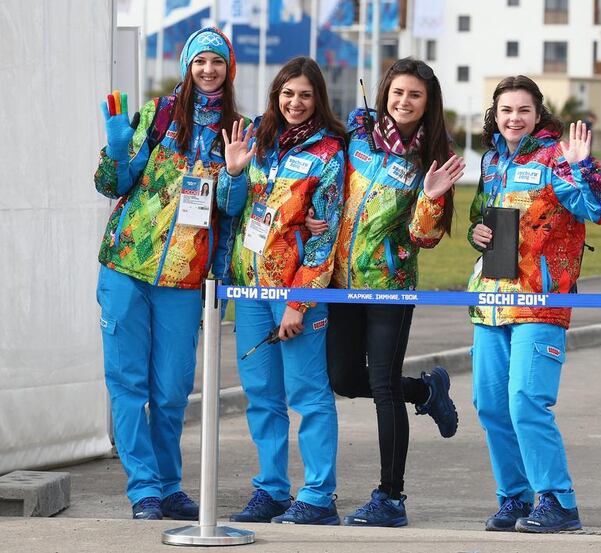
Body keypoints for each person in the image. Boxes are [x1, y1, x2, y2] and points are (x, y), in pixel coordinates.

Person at [306, 57, 465, 527]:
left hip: (388, 288)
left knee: (380, 386)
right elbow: (328, 191)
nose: (404, 101)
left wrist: (432, 197)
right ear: (384, 94)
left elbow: (424, 237)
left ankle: (390, 497)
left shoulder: (430, 159)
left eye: (414, 95)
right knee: (343, 379)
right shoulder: (357, 140)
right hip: (340, 285)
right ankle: (426, 390)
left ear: (427, 102)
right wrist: (317, 216)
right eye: (398, 92)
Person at [94, 27, 241, 521]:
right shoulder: (157, 117)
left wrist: (236, 174)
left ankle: (170, 482)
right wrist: (116, 149)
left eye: (216, 62)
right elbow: (112, 184)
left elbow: (231, 211)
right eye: (199, 61)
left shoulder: (235, 130)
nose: (207, 70)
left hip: (184, 281)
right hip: (127, 269)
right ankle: (145, 489)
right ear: (186, 66)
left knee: (173, 389)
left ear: (229, 69)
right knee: (129, 385)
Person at [468, 76, 601, 533]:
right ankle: (514, 498)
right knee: (490, 406)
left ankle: (557, 501)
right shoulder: (493, 160)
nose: (513, 118)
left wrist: (583, 165)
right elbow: (483, 215)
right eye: (505, 111)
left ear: (538, 113)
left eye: (522, 110)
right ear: (495, 116)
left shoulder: (560, 157)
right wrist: (476, 234)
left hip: (541, 301)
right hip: (490, 301)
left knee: (525, 402)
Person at [217, 56, 346, 525]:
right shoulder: (256, 140)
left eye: (305, 95)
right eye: (288, 93)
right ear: (276, 95)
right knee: (262, 396)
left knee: (308, 394)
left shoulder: (329, 153)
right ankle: (271, 490)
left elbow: (324, 236)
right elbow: (231, 210)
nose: (295, 102)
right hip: (249, 292)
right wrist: (233, 173)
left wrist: (298, 301)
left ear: (317, 101)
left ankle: (317, 495)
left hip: (296, 296)